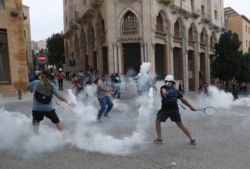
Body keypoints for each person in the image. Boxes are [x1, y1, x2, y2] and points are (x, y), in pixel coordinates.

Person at [154, 75, 196, 145]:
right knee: (181, 125)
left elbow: (163, 90)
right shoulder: (175, 90)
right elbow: (183, 100)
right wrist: (191, 107)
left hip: (164, 110)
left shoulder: (163, 87)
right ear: (173, 82)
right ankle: (192, 139)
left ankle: (159, 138)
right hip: (174, 110)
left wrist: (164, 93)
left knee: (157, 121)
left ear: (166, 81)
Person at [27, 69, 73, 134]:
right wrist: (68, 102)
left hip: (36, 109)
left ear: (41, 76)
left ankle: (36, 139)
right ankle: (65, 138)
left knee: (36, 125)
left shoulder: (35, 82)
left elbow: (27, 87)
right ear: (49, 77)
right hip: (48, 108)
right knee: (57, 122)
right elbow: (59, 96)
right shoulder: (51, 85)